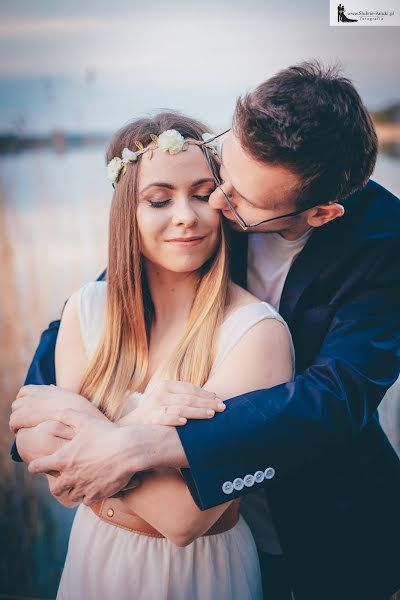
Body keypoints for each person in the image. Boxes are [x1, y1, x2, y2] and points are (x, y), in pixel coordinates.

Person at [10, 61, 400, 599]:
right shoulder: (220, 191)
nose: (213, 204)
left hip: (321, 525)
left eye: (238, 200)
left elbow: (333, 402)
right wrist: (58, 405)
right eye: (224, 173)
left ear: (321, 214)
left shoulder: (384, 248)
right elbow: (123, 289)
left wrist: (146, 445)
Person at [10, 112, 295, 599]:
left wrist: (87, 422)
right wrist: (142, 429)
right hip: (94, 557)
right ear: (127, 213)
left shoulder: (255, 334)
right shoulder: (87, 309)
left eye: (204, 194)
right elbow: (44, 457)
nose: (186, 214)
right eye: (159, 199)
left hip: (198, 573)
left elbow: (185, 516)